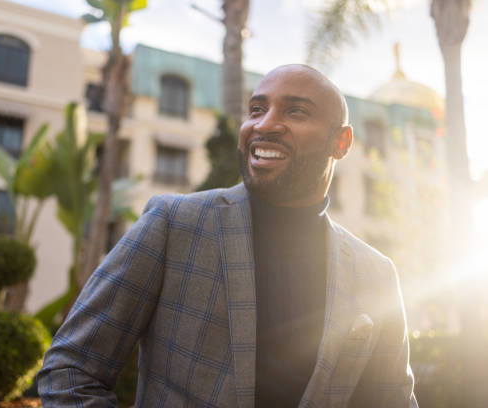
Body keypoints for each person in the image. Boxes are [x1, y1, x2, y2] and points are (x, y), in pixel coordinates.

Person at [38, 64, 417, 407]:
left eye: (295, 111)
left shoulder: (377, 274)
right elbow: (72, 369)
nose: (265, 124)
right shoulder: (174, 224)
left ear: (342, 142)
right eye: (256, 109)